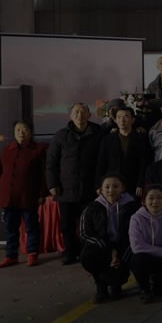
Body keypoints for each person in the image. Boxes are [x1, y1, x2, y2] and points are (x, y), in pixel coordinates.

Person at [47, 103, 103, 265]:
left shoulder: (98, 133)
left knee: (89, 224)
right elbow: (51, 162)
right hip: (66, 189)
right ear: (70, 116)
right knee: (67, 225)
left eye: (83, 112)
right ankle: (70, 253)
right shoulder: (61, 135)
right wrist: (52, 184)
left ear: (89, 115)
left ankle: (87, 252)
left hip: (90, 188)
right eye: (76, 112)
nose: (80, 115)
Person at [0, 120, 48, 268]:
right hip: (9, 197)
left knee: (31, 226)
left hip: (28, 196)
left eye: (24, 130)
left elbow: (43, 175)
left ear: (31, 132)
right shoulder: (7, 149)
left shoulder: (38, 149)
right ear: (14, 132)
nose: (21, 133)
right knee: (10, 228)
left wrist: (42, 194)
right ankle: (11, 256)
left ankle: (32, 253)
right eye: (18, 130)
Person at [79, 174, 139, 303]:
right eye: (107, 187)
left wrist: (118, 253)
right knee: (87, 255)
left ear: (123, 188)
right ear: (101, 189)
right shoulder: (92, 207)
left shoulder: (132, 207)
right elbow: (84, 233)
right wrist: (109, 250)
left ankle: (117, 283)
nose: (111, 190)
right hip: (102, 246)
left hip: (125, 246)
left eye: (115, 186)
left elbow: (138, 232)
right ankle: (101, 286)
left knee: (134, 257)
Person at [129, 185, 162, 304]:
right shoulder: (136, 218)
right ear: (144, 201)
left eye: (159, 197)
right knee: (137, 260)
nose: (155, 201)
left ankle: (159, 287)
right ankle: (145, 290)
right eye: (151, 198)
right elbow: (137, 246)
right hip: (148, 257)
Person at [96, 107, 151, 198]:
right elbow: (101, 163)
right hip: (112, 185)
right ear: (115, 120)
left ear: (132, 120)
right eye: (119, 117)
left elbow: (144, 163)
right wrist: (99, 184)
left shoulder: (141, 138)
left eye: (126, 116)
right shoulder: (108, 139)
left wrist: (141, 183)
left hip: (134, 184)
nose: (122, 120)